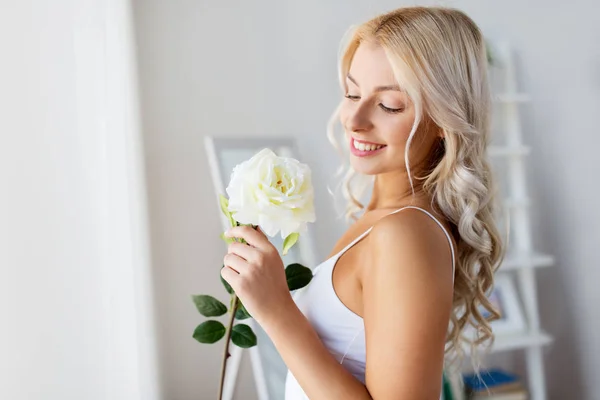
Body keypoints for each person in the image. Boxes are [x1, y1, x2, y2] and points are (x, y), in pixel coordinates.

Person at [221, 6, 504, 399]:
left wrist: (276, 311)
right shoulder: (383, 219)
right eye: (352, 93)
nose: (353, 118)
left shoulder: (406, 234)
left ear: (444, 118)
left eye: (388, 105)